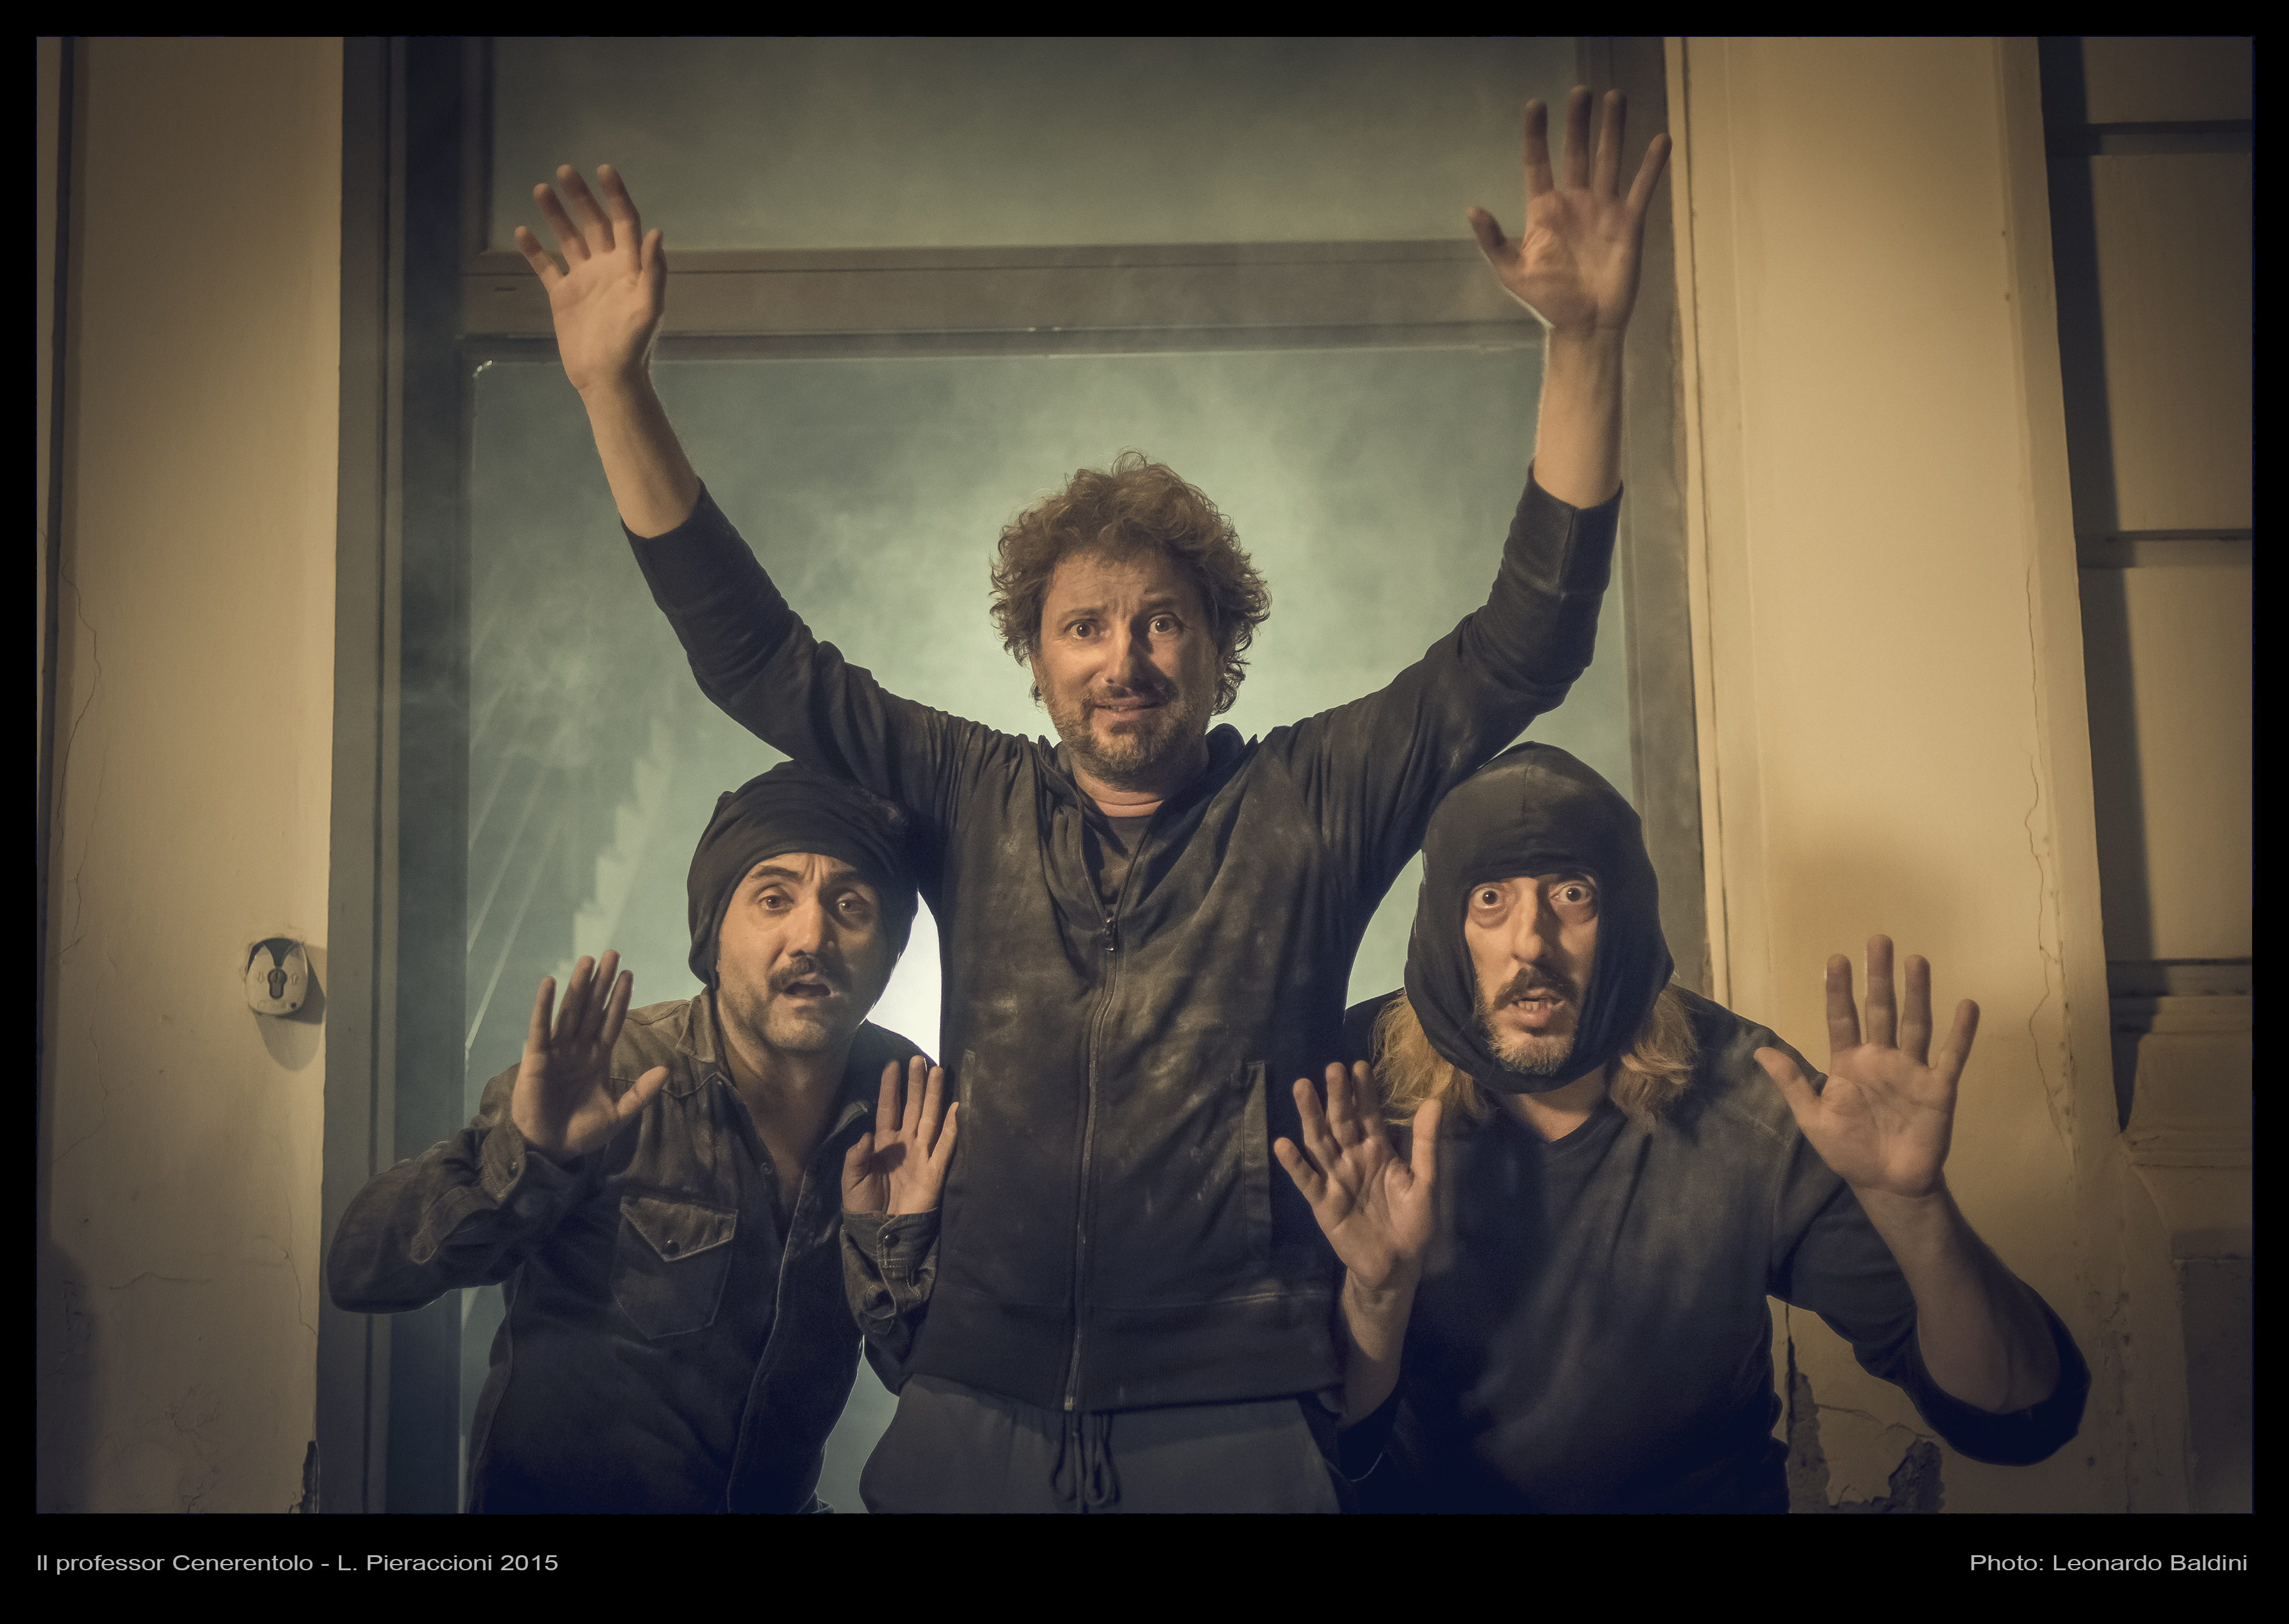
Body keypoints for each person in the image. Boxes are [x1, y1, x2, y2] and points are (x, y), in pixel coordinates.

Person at [513, 87, 1670, 1511]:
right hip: (974, 1405)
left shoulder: (1315, 796)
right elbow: (756, 658)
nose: (1125, 658)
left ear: (1222, 649)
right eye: (1085, 626)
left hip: (1236, 1412)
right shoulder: (969, 793)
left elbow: (1527, 642)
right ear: (1036, 659)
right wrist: (614, 389)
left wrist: (1587, 341)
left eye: (1163, 621)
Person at [1318, 743, 2089, 1512]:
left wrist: (1913, 1207)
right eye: (1491, 899)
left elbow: (2016, 1412)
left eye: (1572, 895)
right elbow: (1323, 1450)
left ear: (1625, 918)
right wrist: (1378, 1296)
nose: (1531, 942)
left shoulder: (1747, 1094)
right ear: (1443, 923)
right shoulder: (1354, 1093)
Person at [326, 763, 953, 1513]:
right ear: (713, 934)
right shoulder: (613, 1077)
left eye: (850, 905)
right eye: (773, 899)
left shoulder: (907, 1107)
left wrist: (899, 1248)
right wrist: (529, 1157)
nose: (811, 936)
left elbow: (937, 1381)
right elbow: (361, 1270)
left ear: (890, 950)